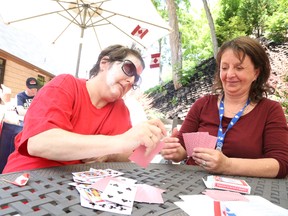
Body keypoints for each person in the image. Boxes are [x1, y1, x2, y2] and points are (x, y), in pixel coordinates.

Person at [3, 44, 166, 173]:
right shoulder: (65, 84)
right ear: (105, 63)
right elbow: (39, 143)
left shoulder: (121, 109)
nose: (130, 80)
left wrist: (153, 144)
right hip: (28, 183)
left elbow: (127, 156)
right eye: (129, 69)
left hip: (77, 192)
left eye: (136, 79)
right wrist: (120, 141)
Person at [161, 36, 288, 178]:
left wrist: (227, 165)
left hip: (247, 193)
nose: (230, 74)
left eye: (239, 68)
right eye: (225, 67)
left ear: (256, 73)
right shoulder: (203, 105)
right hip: (193, 187)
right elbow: (182, 149)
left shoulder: (269, 110)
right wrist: (173, 150)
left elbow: (280, 164)